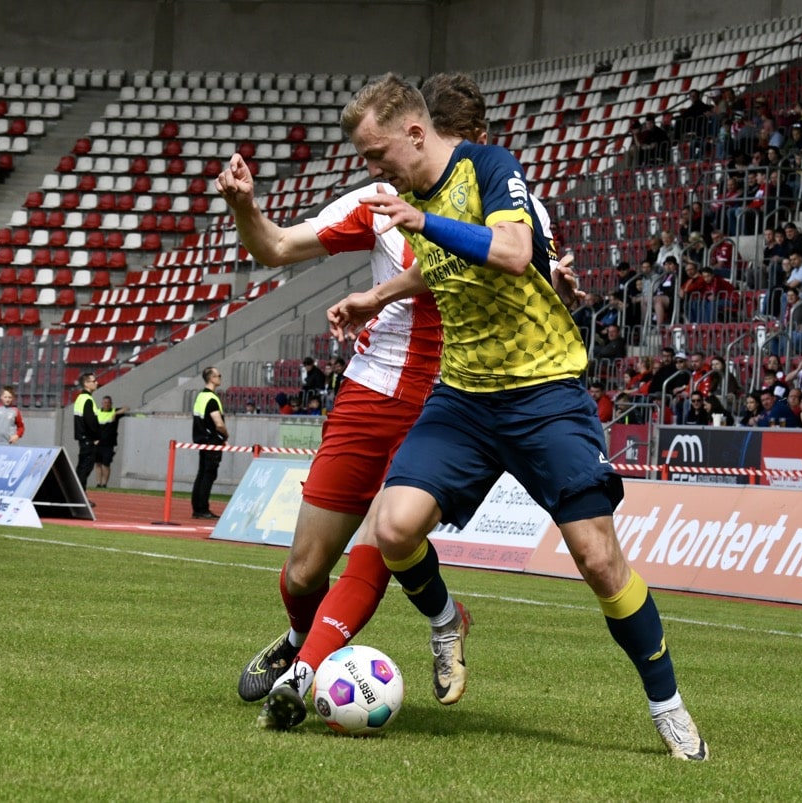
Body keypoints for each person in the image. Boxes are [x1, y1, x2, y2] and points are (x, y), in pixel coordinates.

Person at [322, 74, 706, 759]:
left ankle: (668, 706)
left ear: (415, 133)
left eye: (375, 153)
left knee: (597, 557)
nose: (371, 169)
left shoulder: (490, 168)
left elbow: (512, 251)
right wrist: (377, 295)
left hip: (543, 394)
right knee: (395, 525)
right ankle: (447, 619)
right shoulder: (413, 194)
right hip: (465, 397)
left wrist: (423, 223)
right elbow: (441, 266)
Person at [219, 73, 583, 728]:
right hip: (369, 392)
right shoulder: (382, 202)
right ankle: (310, 638)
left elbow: (532, 269)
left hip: (450, 405)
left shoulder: (512, 201)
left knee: (379, 543)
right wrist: (245, 203)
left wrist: (558, 281)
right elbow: (273, 246)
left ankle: (303, 681)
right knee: (302, 572)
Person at [191, 366, 228, 519]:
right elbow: (218, 423)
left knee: (201, 474)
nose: (220, 378)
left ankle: (197, 507)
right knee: (209, 475)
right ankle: (203, 509)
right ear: (211, 378)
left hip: (202, 440)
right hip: (212, 441)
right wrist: (225, 435)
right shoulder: (212, 399)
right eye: (218, 375)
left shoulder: (201, 396)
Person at [71, 372, 100, 490]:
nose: (96, 383)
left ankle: (78, 495)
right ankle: (78, 495)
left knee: (82, 467)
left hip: (83, 438)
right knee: (85, 468)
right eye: (94, 381)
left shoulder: (80, 398)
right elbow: (90, 421)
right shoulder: (87, 399)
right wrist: (96, 437)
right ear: (87, 384)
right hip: (88, 439)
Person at [95, 395, 129, 487]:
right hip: (98, 443)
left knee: (106, 464)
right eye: (104, 402)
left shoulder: (114, 411)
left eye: (108, 403)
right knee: (98, 464)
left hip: (109, 444)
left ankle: (104, 484)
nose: (106, 404)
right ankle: (98, 483)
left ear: (111, 404)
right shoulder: (97, 412)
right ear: (102, 403)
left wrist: (115, 414)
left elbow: (127, 408)